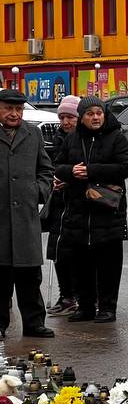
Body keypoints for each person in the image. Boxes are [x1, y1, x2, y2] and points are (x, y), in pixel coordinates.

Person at [57, 97, 128, 324]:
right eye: (90, 113)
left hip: (107, 211)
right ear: (82, 117)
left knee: (108, 263)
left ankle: (107, 307)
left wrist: (91, 171)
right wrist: (72, 171)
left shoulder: (116, 138)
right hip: (78, 211)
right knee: (81, 263)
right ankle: (86, 306)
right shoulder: (72, 139)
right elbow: (58, 166)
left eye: (99, 113)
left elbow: (124, 167)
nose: (95, 117)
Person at [0, 87, 54, 338]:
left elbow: (45, 169)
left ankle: (34, 323)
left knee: (30, 276)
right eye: (9, 108)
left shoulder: (32, 134)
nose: (14, 114)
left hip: (25, 218)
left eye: (18, 109)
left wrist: (39, 192)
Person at [45, 95, 81, 316]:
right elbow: (49, 167)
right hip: (59, 203)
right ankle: (66, 295)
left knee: (77, 254)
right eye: (63, 117)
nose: (66, 122)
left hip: (78, 203)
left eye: (71, 117)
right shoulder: (57, 139)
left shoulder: (85, 140)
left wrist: (67, 177)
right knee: (58, 252)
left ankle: (80, 295)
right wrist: (53, 180)